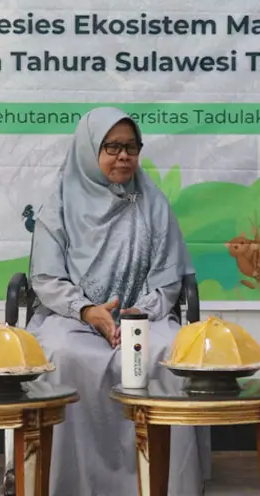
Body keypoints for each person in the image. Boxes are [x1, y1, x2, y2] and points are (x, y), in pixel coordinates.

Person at [25, 107, 211, 495]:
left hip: (142, 317)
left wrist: (138, 314)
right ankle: (67, 483)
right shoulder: (59, 204)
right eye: (112, 147)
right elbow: (45, 278)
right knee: (63, 355)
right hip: (72, 316)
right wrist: (88, 311)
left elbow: (168, 279)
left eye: (131, 147)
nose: (124, 156)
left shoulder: (153, 202)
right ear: (88, 150)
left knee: (170, 352)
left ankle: (165, 483)